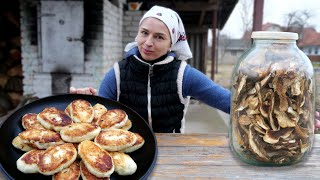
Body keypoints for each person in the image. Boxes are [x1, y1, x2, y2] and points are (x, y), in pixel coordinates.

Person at [70, 5, 320, 133]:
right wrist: (87, 103)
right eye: (144, 33)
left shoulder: (183, 75)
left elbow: (232, 103)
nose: (148, 42)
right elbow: (98, 115)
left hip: (175, 150)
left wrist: (295, 117)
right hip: (125, 147)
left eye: (159, 37)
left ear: (172, 44)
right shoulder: (117, 72)